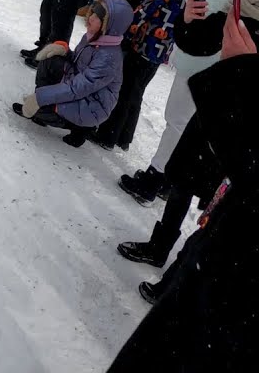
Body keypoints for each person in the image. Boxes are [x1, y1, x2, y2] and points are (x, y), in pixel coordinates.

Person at [107, 33, 259, 371]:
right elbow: (195, 47)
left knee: (209, 217)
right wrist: (191, 21)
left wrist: (241, 76)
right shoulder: (239, 5)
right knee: (181, 184)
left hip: (230, 282)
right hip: (214, 126)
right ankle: (161, 248)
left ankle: (175, 270)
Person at [118, 0, 259, 205]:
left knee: (177, 120)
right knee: (182, 122)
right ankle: (164, 179)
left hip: (202, 62)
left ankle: (155, 177)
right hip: (209, 60)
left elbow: (200, 10)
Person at [95, 0, 194, 151]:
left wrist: (125, 30)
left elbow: (145, 10)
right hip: (158, 50)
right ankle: (124, 135)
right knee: (136, 90)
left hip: (145, 45)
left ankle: (108, 134)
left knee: (127, 89)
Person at [13, 0, 133, 147]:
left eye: (98, 16)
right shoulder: (92, 37)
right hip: (79, 90)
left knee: (43, 107)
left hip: (91, 106)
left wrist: (41, 98)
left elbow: (79, 88)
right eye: (93, 10)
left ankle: (79, 128)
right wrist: (64, 52)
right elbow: (77, 64)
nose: (91, 17)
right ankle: (42, 106)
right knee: (50, 60)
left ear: (108, 26)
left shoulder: (108, 58)